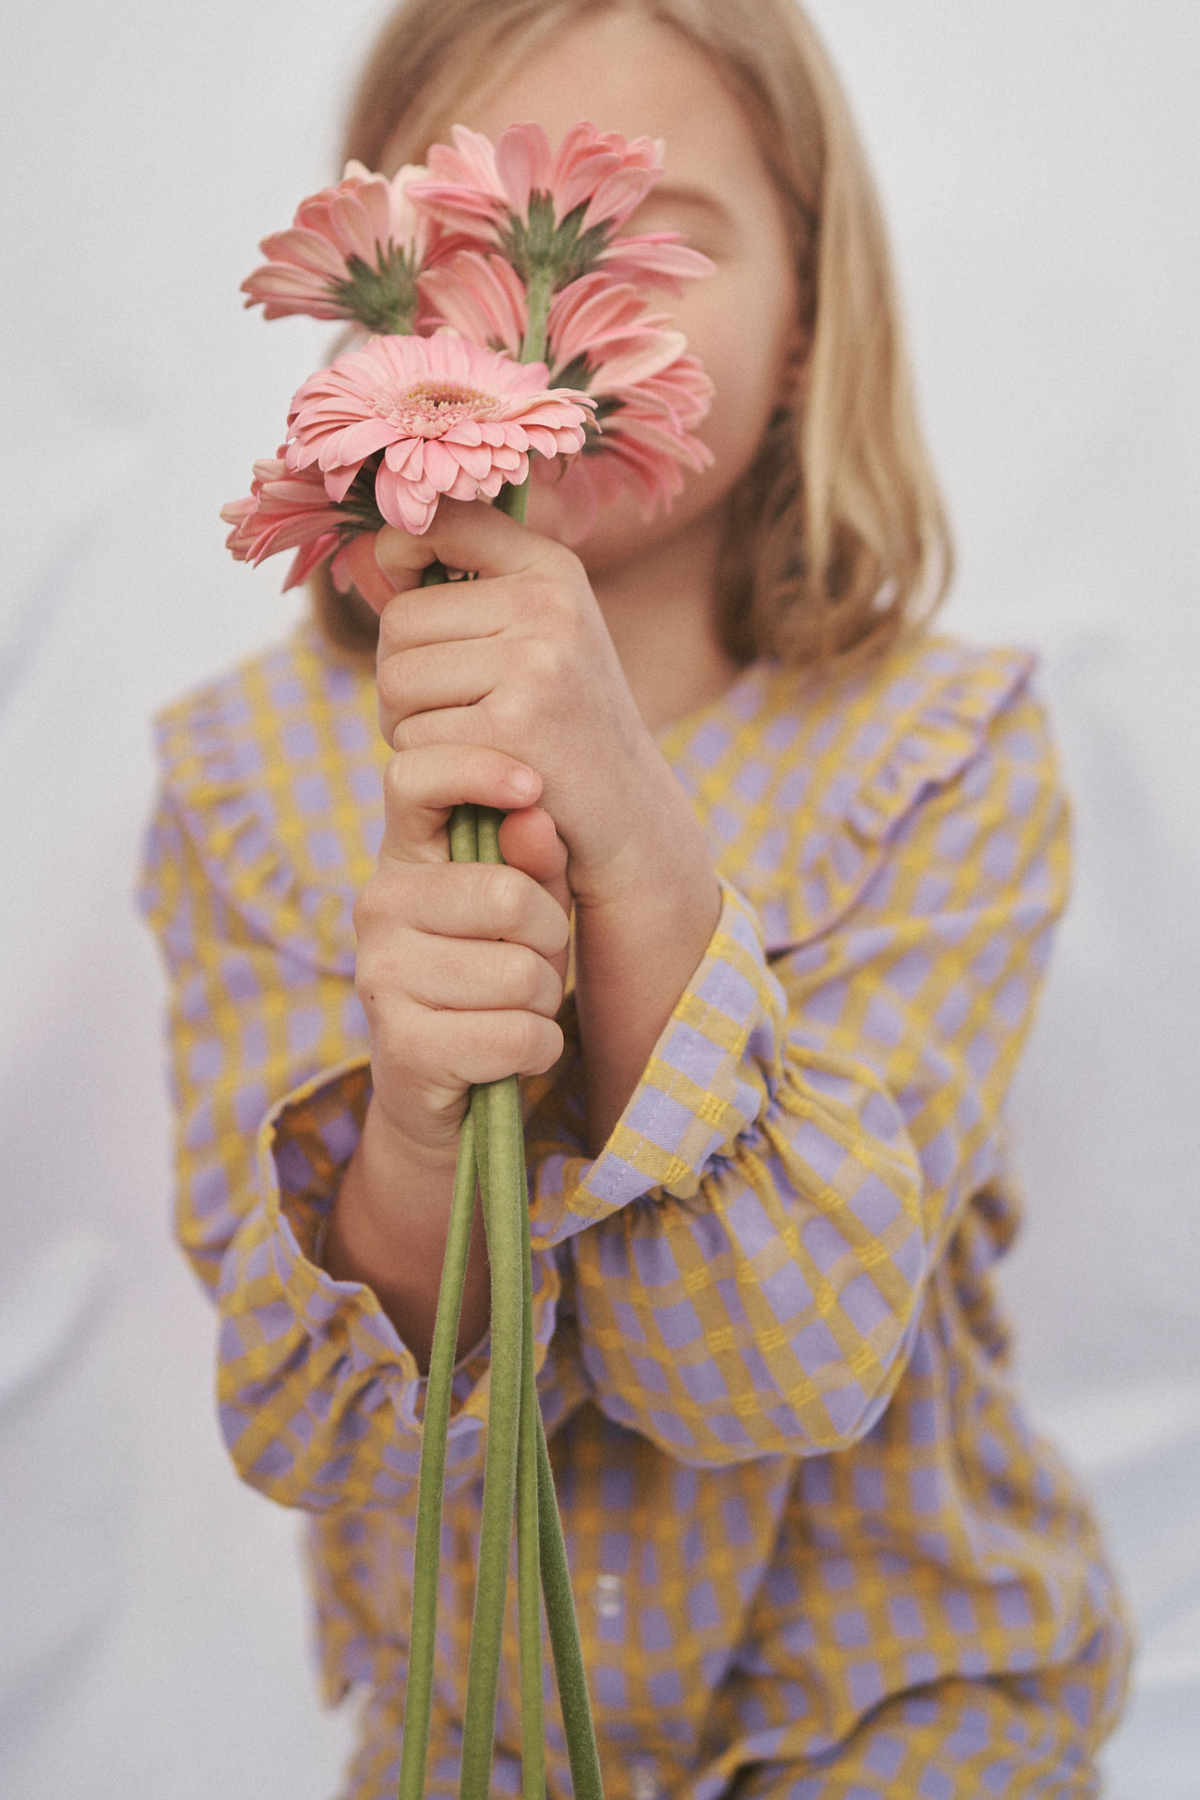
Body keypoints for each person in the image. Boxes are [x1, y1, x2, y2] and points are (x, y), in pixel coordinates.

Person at [138, 1, 1132, 1795]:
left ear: (813, 306)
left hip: (906, 1712)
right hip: (473, 1739)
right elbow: (312, 1433)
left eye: (650, 236)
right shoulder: (242, 786)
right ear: (362, 303)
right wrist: (424, 1135)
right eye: (471, 247)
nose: (541, 312)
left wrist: (628, 828)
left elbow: (765, 1377)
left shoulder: (947, 752)